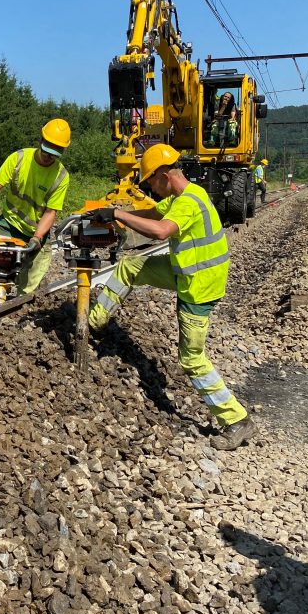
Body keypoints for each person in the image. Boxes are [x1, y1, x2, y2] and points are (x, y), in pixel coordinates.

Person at [87, 144, 256, 450]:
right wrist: (117, 215)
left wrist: (116, 213)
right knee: (132, 265)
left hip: (198, 285)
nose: (150, 187)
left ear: (164, 175)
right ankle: (95, 322)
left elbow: (161, 231)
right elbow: (153, 212)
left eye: (151, 181)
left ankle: (236, 420)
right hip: (187, 272)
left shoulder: (188, 204)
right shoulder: (185, 195)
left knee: (191, 358)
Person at [0, 118, 71, 296]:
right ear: (41, 141)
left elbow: (50, 212)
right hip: (9, 223)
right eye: (47, 150)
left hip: (36, 231)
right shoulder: (19, 158)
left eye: (54, 153)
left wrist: (38, 237)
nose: (49, 156)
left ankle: (20, 305)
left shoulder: (61, 176)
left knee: (28, 286)